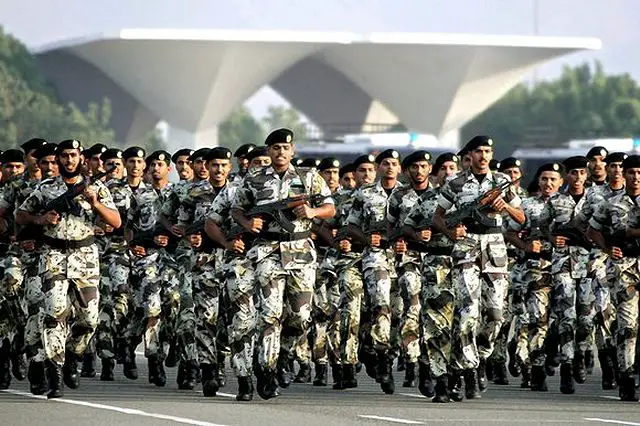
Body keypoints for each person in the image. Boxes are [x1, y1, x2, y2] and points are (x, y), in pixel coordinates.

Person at [231, 128, 335, 399]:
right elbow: (237, 208)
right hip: (267, 250)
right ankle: (267, 369)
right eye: (275, 147)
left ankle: (285, 352)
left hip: (300, 250)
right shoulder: (254, 179)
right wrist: (247, 223)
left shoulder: (309, 177)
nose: (280, 152)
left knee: (300, 317)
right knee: (270, 313)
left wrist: (312, 211)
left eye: (284, 148)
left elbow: (330, 207)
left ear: (292, 150)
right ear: (268, 151)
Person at [16, 139, 121, 398]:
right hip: (52, 255)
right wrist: (41, 219)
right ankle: (55, 374)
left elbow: (116, 222)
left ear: (81, 158)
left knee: (89, 319)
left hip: (84, 256)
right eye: (63, 156)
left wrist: (95, 203)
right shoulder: (46, 188)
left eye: (73, 155)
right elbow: (21, 216)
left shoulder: (97, 187)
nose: (68, 160)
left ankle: (73, 355)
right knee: (54, 313)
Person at [432, 135, 524, 399]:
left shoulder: (502, 182)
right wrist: (452, 233)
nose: (483, 156)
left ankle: (482, 356)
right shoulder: (456, 183)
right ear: (469, 155)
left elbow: (521, 216)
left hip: (495, 249)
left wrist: (504, 205)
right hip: (467, 249)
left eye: (487, 151)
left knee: (495, 315)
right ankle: (468, 370)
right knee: (467, 312)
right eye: (479, 151)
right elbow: (438, 217)